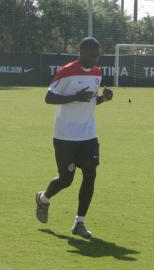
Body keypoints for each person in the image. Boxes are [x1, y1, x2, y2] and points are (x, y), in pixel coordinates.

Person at [35, 37, 113, 238]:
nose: (95, 60)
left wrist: (103, 98)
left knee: (90, 174)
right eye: (92, 56)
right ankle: (43, 198)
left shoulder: (97, 72)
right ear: (81, 53)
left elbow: (90, 101)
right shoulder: (66, 71)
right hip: (65, 136)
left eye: (97, 56)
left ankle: (79, 222)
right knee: (66, 180)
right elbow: (48, 98)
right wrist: (74, 97)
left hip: (88, 134)